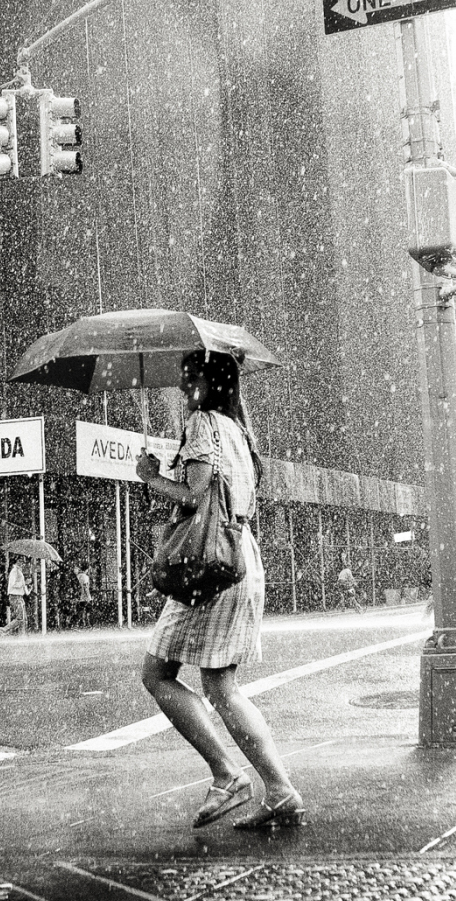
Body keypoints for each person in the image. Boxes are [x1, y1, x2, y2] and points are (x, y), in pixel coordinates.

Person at [134, 350, 305, 831]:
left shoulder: (203, 423)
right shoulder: (239, 431)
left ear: (202, 384)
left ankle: (231, 775)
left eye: (186, 380)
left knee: (159, 674)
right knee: (219, 684)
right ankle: (276, 788)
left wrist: (151, 479)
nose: (181, 389)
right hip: (237, 554)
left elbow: (194, 495)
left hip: (210, 564)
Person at [0, 558, 29, 635]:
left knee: (23, 619)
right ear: (15, 562)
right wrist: (23, 584)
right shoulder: (14, 571)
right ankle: (4, 629)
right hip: (15, 597)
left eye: (22, 561)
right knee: (20, 618)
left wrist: (27, 589)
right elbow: (12, 584)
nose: (21, 563)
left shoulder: (19, 572)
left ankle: (22, 635)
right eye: (19, 561)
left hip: (19, 597)